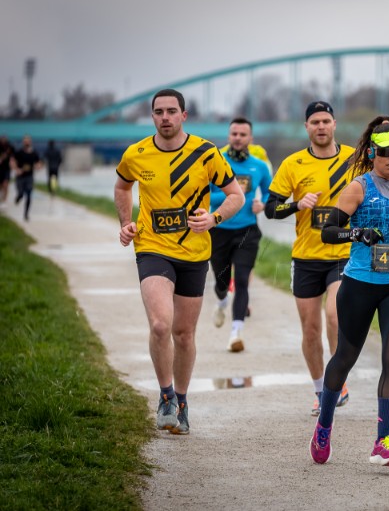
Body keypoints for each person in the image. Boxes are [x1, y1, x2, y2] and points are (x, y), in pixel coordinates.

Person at [113, 88, 244, 435]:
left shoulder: (205, 152)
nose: (165, 117)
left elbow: (236, 196)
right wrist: (126, 222)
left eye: (172, 111)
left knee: (184, 334)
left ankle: (182, 401)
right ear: (152, 117)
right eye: (159, 112)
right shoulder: (136, 153)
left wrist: (214, 219)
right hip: (153, 248)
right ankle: (166, 394)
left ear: (184, 116)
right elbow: (123, 187)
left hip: (194, 253)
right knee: (160, 325)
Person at [309, 118, 389, 467]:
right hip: (359, 285)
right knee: (345, 356)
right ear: (374, 152)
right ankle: (325, 425)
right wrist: (357, 234)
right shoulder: (357, 188)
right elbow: (329, 231)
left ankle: (383, 441)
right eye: (387, 152)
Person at [264, 101, 355, 416]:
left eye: (326, 121)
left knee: (335, 316)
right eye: (315, 121)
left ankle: (336, 382)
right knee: (311, 330)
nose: (321, 126)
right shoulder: (293, 164)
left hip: (344, 254)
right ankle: (320, 391)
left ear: (334, 124)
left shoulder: (354, 160)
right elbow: (270, 208)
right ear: (307, 127)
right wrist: (297, 205)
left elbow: (376, 190)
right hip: (305, 257)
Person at [209, 117, 272, 352]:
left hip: (247, 231)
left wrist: (262, 203)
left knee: (243, 280)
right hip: (218, 230)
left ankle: (235, 333)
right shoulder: (215, 162)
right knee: (221, 282)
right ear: (229, 136)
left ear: (250, 139)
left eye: (242, 134)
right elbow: (204, 195)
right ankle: (222, 299)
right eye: (234, 134)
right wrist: (233, 196)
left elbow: (269, 192)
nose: (237, 138)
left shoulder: (259, 166)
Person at [11, 135, 41, 221]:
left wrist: (38, 166)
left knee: (29, 195)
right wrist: (16, 169)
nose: (27, 143)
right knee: (21, 193)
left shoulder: (34, 153)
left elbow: (38, 162)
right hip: (20, 177)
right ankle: (18, 197)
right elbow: (12, 161)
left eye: (28, 141)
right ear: (23, 142)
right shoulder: (19, 152)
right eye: (25, 141)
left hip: (29, 176)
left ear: (30, 142)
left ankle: (26, 214)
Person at [0, 136, 12, 206]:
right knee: (1, 185)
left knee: (6, 184)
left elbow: (13, 158)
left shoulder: (10, 147)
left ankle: (5, 199)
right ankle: (2, 196)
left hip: (6, 169)